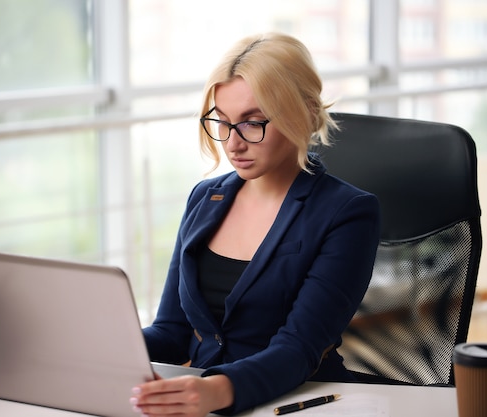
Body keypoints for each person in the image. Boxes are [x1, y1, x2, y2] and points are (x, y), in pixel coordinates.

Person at [130, 32, 380, 417]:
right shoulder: (204, 198)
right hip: (205, 400)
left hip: (296, 402)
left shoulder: (348, 213)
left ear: (308, 114)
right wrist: (103, 347)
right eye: (223, 122)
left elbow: (298, 348)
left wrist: (215, 391)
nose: (232, 144)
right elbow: (172, 331)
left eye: (252, 123)